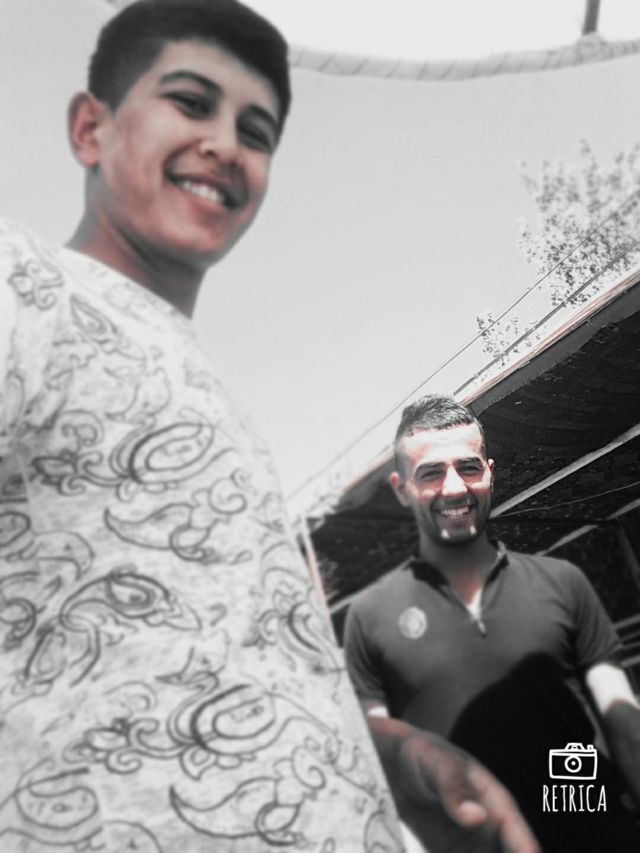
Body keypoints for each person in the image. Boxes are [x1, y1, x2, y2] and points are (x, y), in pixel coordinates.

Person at [0, 3, 538, 851]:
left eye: (257, 131)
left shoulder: (210, 393)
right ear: (89, 129)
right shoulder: (25, 288)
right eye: (190, 102)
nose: (227, 144)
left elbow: (219, 666)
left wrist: (393, 759)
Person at [344, 393, 640, 852]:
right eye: (431, 473)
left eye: (468, 467)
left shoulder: (563, 582)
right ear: (401, 489)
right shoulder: (369, 616)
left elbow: (623, 722)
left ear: (489, 472)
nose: (454, 489)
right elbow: (379, 760)